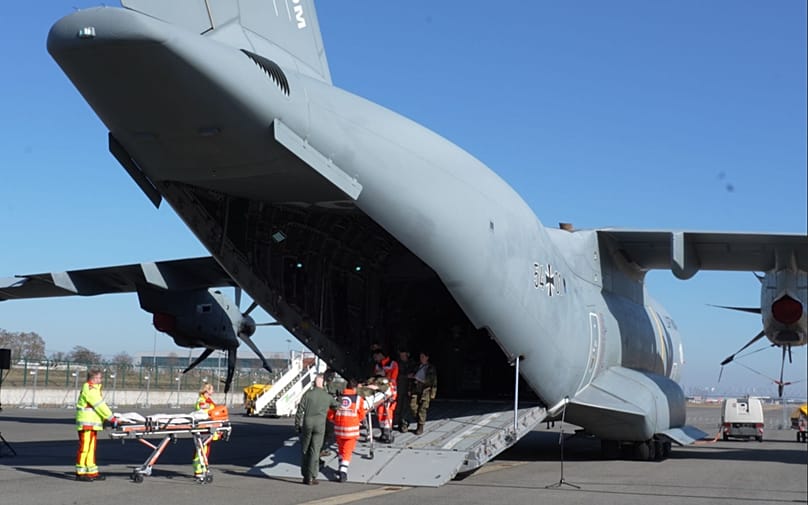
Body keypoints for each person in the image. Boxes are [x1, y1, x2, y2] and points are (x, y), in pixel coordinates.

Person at [295, 374, 338, 485]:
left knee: (305, 449)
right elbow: (338, 406)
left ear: (314, 383)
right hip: (320, 426)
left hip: (307, 424)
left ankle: (305, 476)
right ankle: (312, 476)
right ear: (323, 384)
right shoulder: (327, 396)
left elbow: (299, 411)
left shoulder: (307, 394)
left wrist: (297, 426)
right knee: (315, 450)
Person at [75, 367, 117, 482]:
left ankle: (91, 472)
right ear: (92, 378)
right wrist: (111, 417)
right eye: (98, 378)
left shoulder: (93, 389)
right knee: (84, 448)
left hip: (91, 424)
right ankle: (80, 473)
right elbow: (99, 405)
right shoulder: (90, 389)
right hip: (86, 423)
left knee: (90, 448)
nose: (100, 380)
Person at [327, 378, 368, 483]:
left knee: (341, 450)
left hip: (339, 429)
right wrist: (356, 421)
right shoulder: (358, 399)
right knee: (347, 452)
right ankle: (343, 472)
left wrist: (336, 420)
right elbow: (361, 414)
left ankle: (340, 467)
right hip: (351, 429)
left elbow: (330, 414)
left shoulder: (338, 397)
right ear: (355, 388)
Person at [403, 351, 437, 435]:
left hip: (425, 390)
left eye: (423, 357)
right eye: (420, 357)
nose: (421, 358)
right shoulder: (417, 366)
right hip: (415, 388)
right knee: (413, 406)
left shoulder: (430, 368)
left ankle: (420, 426)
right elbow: (412, 377)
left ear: (427, 357)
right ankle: (418, 419)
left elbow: (431, 381)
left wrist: (432, 393)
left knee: (423, 408)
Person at [192, 383, 220, 481]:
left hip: (207, 426)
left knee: (205, 448)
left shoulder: (207, 400)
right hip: (203, 427)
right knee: (202, 448)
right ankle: (199, 470)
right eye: (212, 389)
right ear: (207, 390)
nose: (213, 391)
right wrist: (208, 406)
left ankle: (201, 468)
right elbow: (201, 406)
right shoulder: (202, 399)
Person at [372, 349, 399, 443]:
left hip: (390, 390)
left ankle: (388, 433)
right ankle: (383, 432)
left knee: (388, 411)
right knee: (380, 411)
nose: (375, 358)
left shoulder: (392, 364)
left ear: (381, 354)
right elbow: (375, 377)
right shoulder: (377, 365)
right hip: (380, 390)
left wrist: (384, 375)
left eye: (376, 356)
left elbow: (393, 378)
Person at [395, 349, 414, 432]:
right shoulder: (397, 364)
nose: (402, 357)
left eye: (404, 355)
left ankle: (404, 424)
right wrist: (406, 376)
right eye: (401, 355)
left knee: (406, 407)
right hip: (399, 387)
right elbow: (396, 375)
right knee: (398, 406)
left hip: (408, 388)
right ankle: (398, 422)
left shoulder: (411, 364)